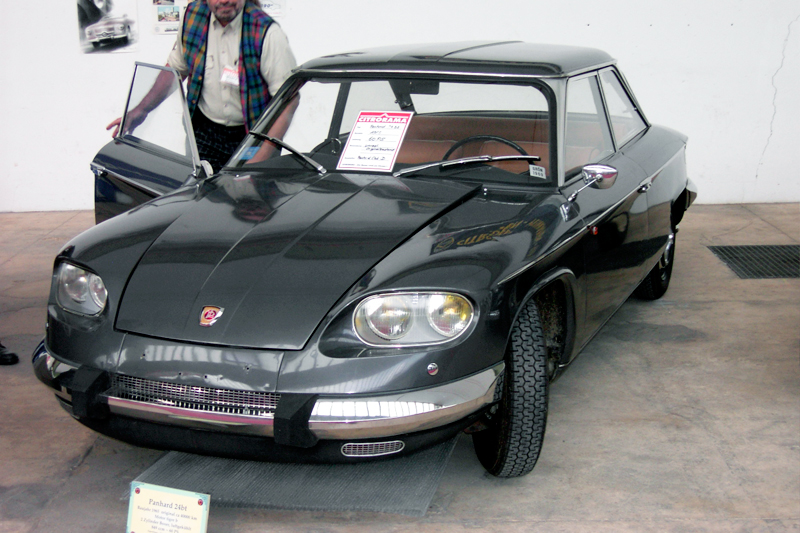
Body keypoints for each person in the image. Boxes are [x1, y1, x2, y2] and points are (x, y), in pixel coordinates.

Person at [107, 0, 296, 171]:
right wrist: (140, 110)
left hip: (251, 135)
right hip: (204, 131)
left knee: (247, 196)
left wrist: (261, 156)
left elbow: (288, 99)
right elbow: (176, 69)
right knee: (201, 193)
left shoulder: (267, 32)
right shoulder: (192, 16)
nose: (224, 0)